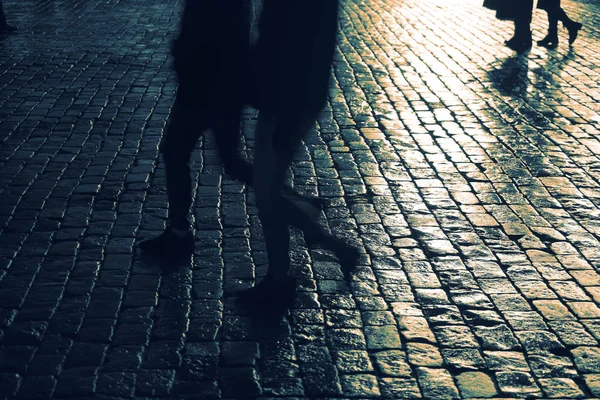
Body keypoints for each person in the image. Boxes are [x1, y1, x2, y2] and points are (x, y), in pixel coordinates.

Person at [139, 0, 352, 266]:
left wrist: (188, 57)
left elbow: (226, 29)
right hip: (218, 82)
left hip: (209, 83)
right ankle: (298, 206)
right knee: (223, 160)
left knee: (186, 155)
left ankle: (181, 232)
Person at [235, 0, 360, 313]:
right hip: (287, 96)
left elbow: (298, 48)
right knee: (268, 191)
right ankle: (279, 277)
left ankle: (328, 246)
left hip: (288, 99)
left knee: (267, 193)